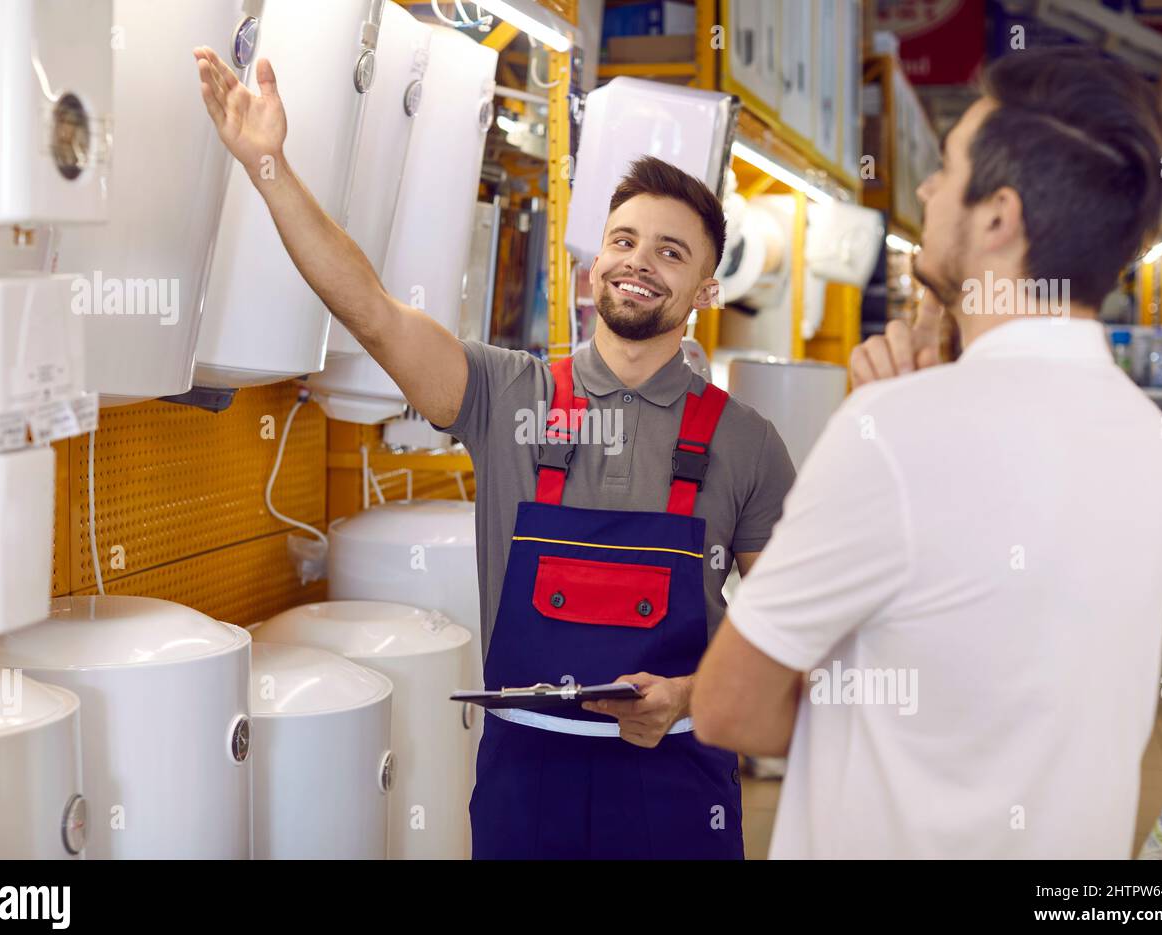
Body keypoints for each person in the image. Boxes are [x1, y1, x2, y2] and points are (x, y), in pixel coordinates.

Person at [192, 49, 795, 859]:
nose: (638, 263)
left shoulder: (745, 441)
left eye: (671, 252)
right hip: (525, 783)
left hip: (677, 782)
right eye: (623, 240)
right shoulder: (507, 394)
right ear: (593, 265)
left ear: (704, 291)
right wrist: (268, 165)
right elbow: (370, 312)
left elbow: (792, 624)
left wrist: (692, 692)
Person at [690, 47, 1162, 859]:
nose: (924, 190)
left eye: (946, 170)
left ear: (998, 217)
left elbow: (727, 706)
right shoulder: (1150, 439)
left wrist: (892, 414)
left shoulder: (894, 432)